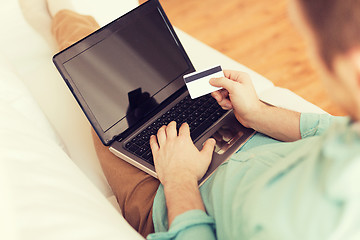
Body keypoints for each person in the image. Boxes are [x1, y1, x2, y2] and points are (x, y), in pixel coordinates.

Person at [21, 0, 360, 239]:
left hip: (172, 202)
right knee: (166, 91)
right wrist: (258, 114)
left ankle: (64, 15)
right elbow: (324, 128)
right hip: (247, 135)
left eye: (309, 42)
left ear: (351, 67)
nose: (312, 56)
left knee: (103, 110)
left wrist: (179, 178)